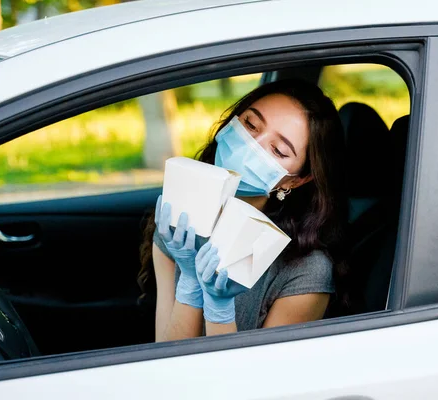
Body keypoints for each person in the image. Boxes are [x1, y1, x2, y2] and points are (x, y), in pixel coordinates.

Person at [137, 78, 348, 341]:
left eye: (278, 150)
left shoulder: (305, 269)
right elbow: (167, 357)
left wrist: (219, 310)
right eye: (250, 124)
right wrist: (189, 283)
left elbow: (249, 380)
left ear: (295, 180)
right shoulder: (180, 223)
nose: (252, 145)